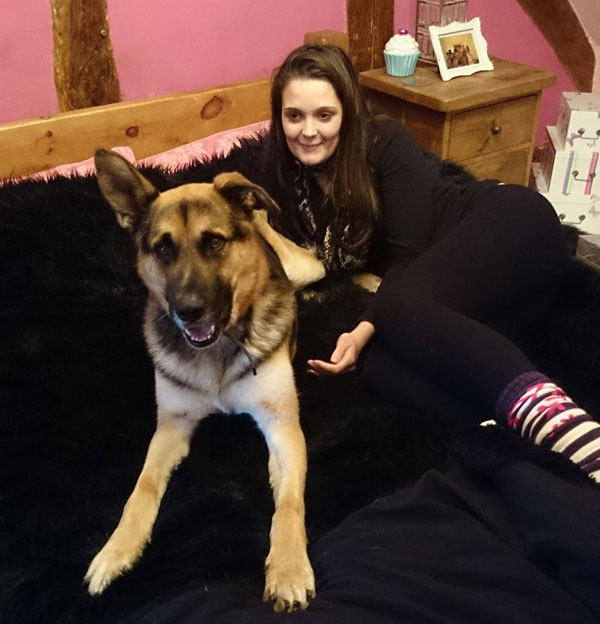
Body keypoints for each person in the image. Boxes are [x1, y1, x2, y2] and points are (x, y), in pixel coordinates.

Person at [260, 43, 600, 484]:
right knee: (381, 367)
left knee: (394, 308)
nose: (308, 131)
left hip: (510, 226)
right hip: (470, 301)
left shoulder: (385, 143)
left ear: (347, 112)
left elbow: (407, 259)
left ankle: (578, 439)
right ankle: (519, 433)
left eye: (324, 115)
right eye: (294, 116)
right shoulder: (286, 180)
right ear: (279, 118)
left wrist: (361, 330)